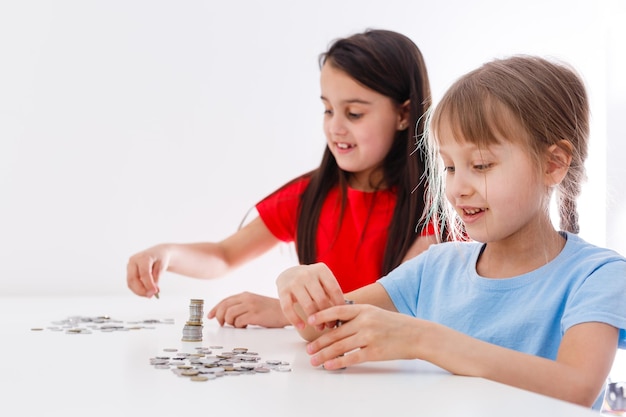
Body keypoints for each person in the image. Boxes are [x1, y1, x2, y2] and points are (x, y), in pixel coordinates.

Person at [276, 55, 626, 410]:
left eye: (481, 165)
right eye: (449, 167)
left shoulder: (597, 275)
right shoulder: (436, 268)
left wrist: (423, 339)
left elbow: (576, 386)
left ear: (553, 164)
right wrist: (298, 285)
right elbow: (323, 331)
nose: (458, 188)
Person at [126, 29, 438, 328]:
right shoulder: (309, 195)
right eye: (328, 110)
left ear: (404, 114)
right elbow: (224, 255)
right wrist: (167, 254)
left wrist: (288, 312)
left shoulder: (435, 206)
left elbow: (398, 302)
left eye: (354, 113)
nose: (335, 127)